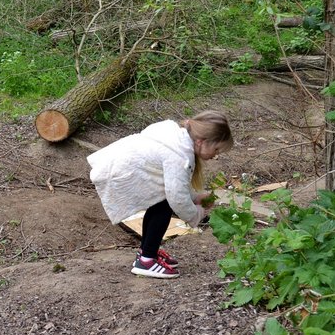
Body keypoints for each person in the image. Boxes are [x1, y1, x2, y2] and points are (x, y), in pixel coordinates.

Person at [87, 110, 233, 279]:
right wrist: (197, 214)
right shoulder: (180, 156)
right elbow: (177, 198)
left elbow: (174, 183)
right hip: (121, 173)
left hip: (119, 164)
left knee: (161, 202)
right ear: (201, 142)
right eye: (216, 149)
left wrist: (194, 197)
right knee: (165, 204)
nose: (216, 155)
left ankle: (148, 251)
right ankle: (146, 260)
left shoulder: (177, 136)